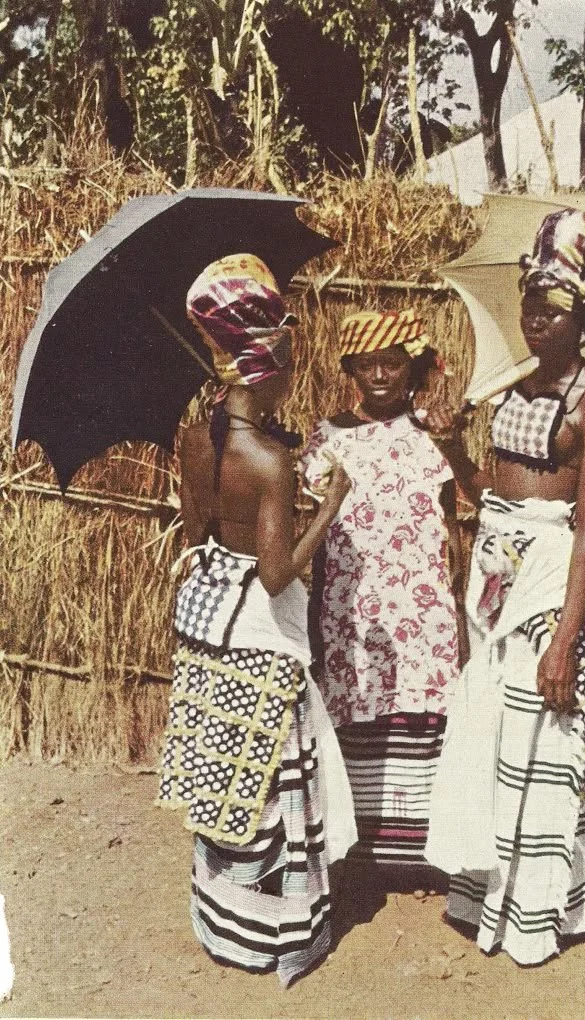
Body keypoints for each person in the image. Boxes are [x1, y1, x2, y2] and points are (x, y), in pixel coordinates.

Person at [424, 208, 585, 965]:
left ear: (584, 315)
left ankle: (537, 912)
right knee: (493, 735)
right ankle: (487, 896)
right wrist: (451, 448)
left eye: (554, 308)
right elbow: (487, 490)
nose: (537, 320)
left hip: (546, 581)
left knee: (542, 736)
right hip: (496, 572)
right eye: (531, 305)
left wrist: (566, 640)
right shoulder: (513, 387)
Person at [157, 253, 356, 987]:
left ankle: (224, 919)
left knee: (225, 768)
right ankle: (276, 929)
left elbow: (198, 528)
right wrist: (328, 507)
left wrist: (278, 466)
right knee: (272, 777)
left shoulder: (196, 436)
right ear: (263, 357)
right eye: (287, 356)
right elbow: (276, 574)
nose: (292, 370)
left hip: (214, 618)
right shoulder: (266, 459)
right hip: (261, 626)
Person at [301, 309, 467, 873]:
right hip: (351, 609)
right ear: (350, 367)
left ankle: (420, 857)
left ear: (411, 367)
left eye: (391, 363)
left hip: (422, 613)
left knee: (421, 713)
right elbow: (317, 537)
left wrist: (457, 614)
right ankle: (362, 855)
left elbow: (453, 534)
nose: (379, 375)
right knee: (358, 710)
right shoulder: (327, 438)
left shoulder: (433, 437)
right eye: (367, 364)